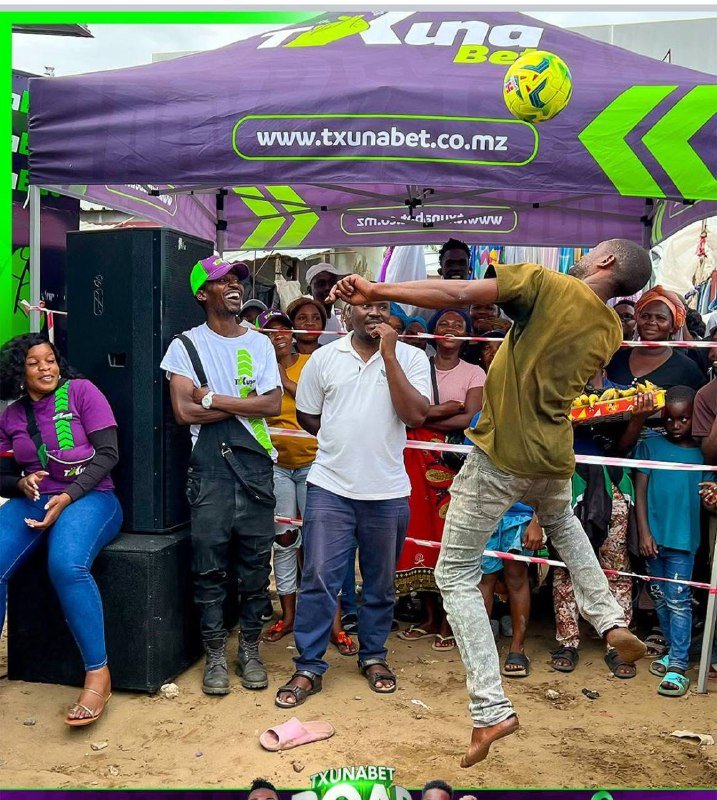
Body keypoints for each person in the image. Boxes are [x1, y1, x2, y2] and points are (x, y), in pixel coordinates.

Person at [331, 238, 652, 767]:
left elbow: (456, 292)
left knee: (455, 574)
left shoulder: (546, 284)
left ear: (607, 261)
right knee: (562, 522)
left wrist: (376, 289)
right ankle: (610, 619)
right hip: (553, 454)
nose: (582, 255)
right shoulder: (610, 328)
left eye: (591, 250)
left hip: (502, 453)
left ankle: (490, 708)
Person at [274, 297, 431, 708]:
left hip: (387, 491)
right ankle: (309, 666)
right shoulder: (325, 358)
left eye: (381, 305)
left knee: (379, 583)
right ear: (346, 315)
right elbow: (309, 415)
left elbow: (416, 415)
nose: (374, 313)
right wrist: (342, 437)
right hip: (330, 487)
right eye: (364, 306)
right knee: (319, 579)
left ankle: (373, 656)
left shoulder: (411, 358)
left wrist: (389, 355)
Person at [160, 256, 282, 696]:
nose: (234, 285)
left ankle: (249, 649)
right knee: (208, 567)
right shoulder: (185, 346)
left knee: (255, 567)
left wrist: (211, 397)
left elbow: (272, 405)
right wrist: (239, 404)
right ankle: (214, 653)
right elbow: (183, 412)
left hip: (255, 469)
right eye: (221, 280)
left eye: (236, 280)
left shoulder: (261, 343)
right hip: (209, 472)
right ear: (201, 293)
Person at [0, 333, 122, 726]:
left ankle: (98, 674)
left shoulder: (82, 392)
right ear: (18, 372)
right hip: (35, 499)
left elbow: (108, 454)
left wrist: (68, 496)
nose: (45, 368)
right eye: (34, 363)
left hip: (91, 497)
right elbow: (2, 474)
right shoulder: (11, 416)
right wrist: (19, 483)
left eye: (49, 359)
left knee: (66, 565)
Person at [257, 309, 357, 657]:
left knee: (323, 544)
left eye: (284, 329)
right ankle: (288, 616)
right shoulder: (256, 366)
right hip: (276, 465)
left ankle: (334, 624)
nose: (278, 336)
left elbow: (323, 406)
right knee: (284, 540)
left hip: (315, 464)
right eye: (269, 331)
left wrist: (283, 379)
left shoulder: (313, 363)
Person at [397, 308, 485, 651]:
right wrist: (440, 410)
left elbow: (468, 418)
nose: (450, 328)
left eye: (458, 324)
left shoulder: (474, 372)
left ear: (468, 334)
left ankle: (449, 622)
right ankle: (429, 617)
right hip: (412, 460)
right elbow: (403, 411)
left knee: (449, 535)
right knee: (418, 531)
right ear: (433, 331)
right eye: (444, 323)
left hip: (452, 463)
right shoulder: (416, 365)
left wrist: (422, 418)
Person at [635, 385, 708, 697]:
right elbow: (640, 491)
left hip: (683, 540)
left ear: (696, 418)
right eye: (669, 419)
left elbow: (708, 498)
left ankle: (678, 665)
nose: (675, 425)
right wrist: (644, 532)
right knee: (661, 597)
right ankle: (674, 653)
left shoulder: (704, 455)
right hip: (654, 539)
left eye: (683, 419)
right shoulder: (650, 447)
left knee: (678, 599)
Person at [607, 286, 705, 391]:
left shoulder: (687, 369)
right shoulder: (615, 359)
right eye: (645, 316)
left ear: (673, 326)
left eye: (660, 318)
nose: (651, 322)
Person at [305, 262, 345, 345]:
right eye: (321, 284)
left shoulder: (335, 321)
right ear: (309, 290)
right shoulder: (307, 323)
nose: (328, 288)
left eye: (332, 283)